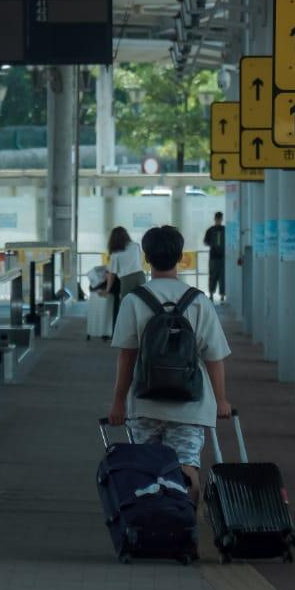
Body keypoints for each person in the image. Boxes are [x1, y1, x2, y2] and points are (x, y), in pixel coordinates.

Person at [109, 225, 233, 499]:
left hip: (145, 402)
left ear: (147, 259)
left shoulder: (133, 301)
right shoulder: (199, 301)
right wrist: (221, 400)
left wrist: (119, 401)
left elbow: (127, 357)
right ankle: (186, 523)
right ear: (180, 257)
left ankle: (151, 524)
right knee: (187, 466)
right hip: (190, 403)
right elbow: (214, 356)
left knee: (146, 469)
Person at [104, 226, 145, 328]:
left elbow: (112, 274)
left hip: (126, 279)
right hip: (141, 276)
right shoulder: (136, 246)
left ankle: (126, 333)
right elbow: (141, 261)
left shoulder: (116, 253)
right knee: (142, 305)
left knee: (126, 308)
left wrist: (107, 290)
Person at [203, 212, 227, 303]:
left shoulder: (223, 230)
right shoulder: (211, 230)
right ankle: (212, 294)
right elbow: (205, 242)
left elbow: (206, 242)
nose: (218, 220)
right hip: (214, 257)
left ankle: (221, 295)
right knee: (214, 276)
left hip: (221, 257)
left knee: (221, 277)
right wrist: (213, 245)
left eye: (219, 219)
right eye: (218, 219)